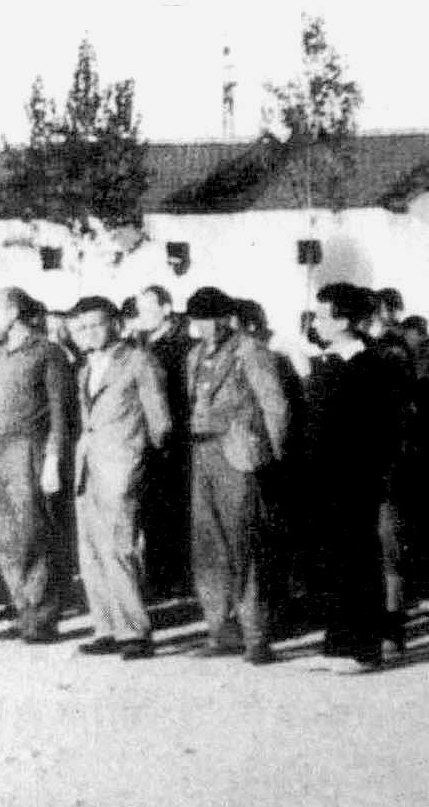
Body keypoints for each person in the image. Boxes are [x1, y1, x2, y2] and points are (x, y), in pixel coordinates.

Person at [300, 283, 406, 674]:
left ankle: (365, 648)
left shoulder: (371, 364)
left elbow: (384, 428)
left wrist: (374, 475)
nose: (317, 322)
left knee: (359, 559)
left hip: (357, 478)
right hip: (325, 478)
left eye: (323, 316)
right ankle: (336, 643)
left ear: (344, 321)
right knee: (332, 561)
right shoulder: (326, 361)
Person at [183, 287, 291, 665]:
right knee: (208, 547)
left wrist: (273, 458)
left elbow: (274, 405)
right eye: (197, 320)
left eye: (209, 320)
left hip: (239, 456)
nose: (202, 327)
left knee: (245, 546)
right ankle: (220, 630)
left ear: (227, 319)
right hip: (203, 452)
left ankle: (257, 636)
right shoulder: (195, 355)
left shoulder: (250, 351)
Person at [68, 296, 171, 661]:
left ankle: (135, 631)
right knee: (92, 551)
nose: (90, 333)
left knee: (122, 548)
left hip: (123, 467)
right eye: (82, 327)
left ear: (115, 323)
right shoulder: (84, 368)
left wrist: (142, 462)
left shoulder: (138, 360)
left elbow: (160, 420)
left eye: (97, 324)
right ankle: (106, 626)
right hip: (90, 468)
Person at [0, 287, 72, 643]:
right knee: (6, 538)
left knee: (34, 534)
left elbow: (60, 414)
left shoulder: (47, 353)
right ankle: (24, 611)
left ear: (14, 312)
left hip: (29, 449)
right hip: (0, 450)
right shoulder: (2, 354)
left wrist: (52, 459)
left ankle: (43, 616)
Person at [135, 285, 194, 604]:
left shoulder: (181, 347)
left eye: (148, 308)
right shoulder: (140, 346)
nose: (141, 316)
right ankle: (159, 577)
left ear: (167, 309)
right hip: (147, 439)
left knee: (174, 509)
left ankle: (178, 579)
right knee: (152, 511)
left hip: (175, 440)